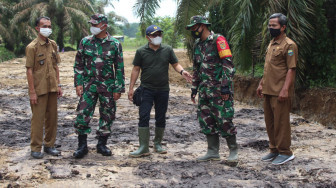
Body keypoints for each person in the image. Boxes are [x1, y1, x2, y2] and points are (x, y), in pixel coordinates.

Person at [128, 25, 192, 157]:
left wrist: (182, 71)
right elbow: (136, 69)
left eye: (159, 34)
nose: (157, 37)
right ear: (148, 37)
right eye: (154, 35)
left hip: (163, 89)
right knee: (144, 115)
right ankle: (144, 147)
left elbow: (175, 64)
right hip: (146, 89)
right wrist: (131, 88)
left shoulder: (167, 49)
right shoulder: (141, 51)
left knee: (161, 116)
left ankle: (158, 143)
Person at [185, 15, 238, 162]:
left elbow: (228, 64)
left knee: (224, 120)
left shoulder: (218, 40)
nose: (193, 30)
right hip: (204, 90)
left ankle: (233, 151)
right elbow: (197, 68)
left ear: (203, 26)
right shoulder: (197, 44)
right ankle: (213, 151)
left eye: (195, 27)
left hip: (219, 90)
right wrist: (194, 88)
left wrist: (225, 87)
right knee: (206, 120)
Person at [73, 14, 125, 158]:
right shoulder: (85, 42)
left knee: (107, 115)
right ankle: (82, 146)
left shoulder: (114, 44)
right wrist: (78, 83)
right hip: (89, 86)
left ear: (104, 26)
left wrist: (118, 88)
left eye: (95, 25)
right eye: (92, 24)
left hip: (107, 86)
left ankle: (102, 144)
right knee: (82, 114)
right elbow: (79, 65)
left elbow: (119, 67)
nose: (93, 27)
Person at [257, 13, 297, 165]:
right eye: (270, 25)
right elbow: (269, 68)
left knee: (281, 122)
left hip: (279, 91)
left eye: (274, 25)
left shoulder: (289, 45)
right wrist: (261, 83)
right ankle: (274, 149)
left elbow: (291, 69)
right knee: (270, 122)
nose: (271, 28)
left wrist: (285, 89)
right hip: (268, 89)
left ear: (283, 27)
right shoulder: (271, 43)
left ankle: (285, 152)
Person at [26, 16, 62, 159]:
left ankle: (49, 145)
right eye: (44, 26)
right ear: (37, 28)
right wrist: (32, 92)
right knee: (38, 119)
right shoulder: (32, 47)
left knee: (52, 118)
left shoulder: (53, 45)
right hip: (39, 89)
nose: (47, 29)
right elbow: (29, 70)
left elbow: (55, 66)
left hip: (52, 87)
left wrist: (58, 84)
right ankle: (35, 147)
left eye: (49, 26)